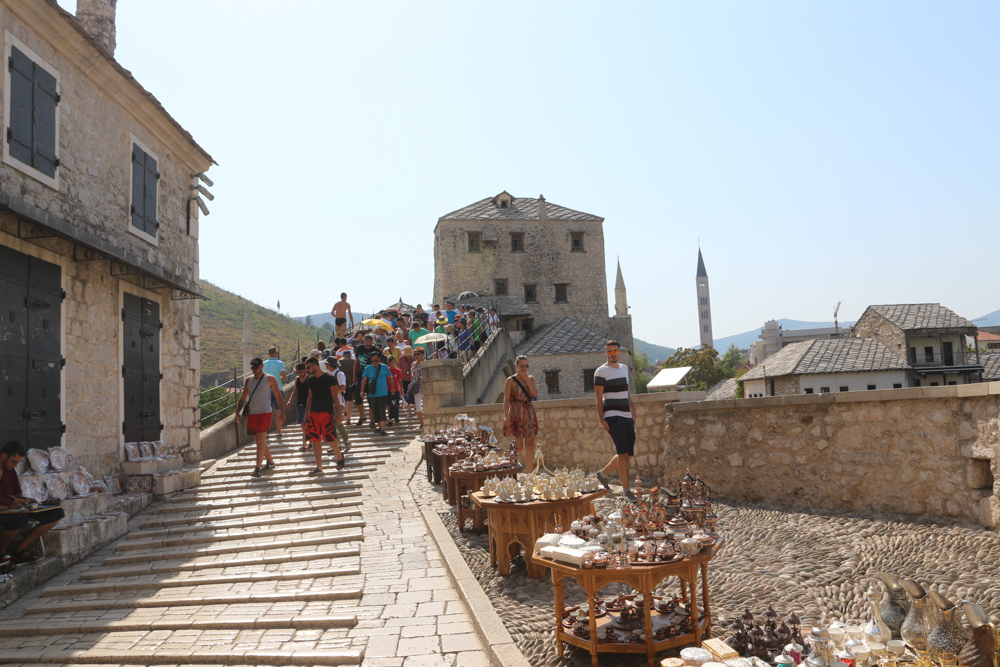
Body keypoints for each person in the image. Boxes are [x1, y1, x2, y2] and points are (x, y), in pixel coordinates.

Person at [0, 440, 65, 565]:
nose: (15, 465)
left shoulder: (10, 471)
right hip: (6, 511)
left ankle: (19, 550)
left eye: (17, 463)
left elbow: (16, 493)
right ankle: (1, 551)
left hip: (13, 510)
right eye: (14, 462)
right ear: (3, 456)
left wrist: (25, 500)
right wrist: (9, 507)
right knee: (19, 520)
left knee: (56, 512)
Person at [593, 340, 638, 501]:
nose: (613, 354)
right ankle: (627, 491)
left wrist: (632, 407)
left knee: (628, 453)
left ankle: (603, 474)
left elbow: (625, 391)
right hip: (612, 415)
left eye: (615, 351)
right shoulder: (601, 371)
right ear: (606, 353)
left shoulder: (624, 368)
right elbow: (598, 398)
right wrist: (602, 419)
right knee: (622, 452)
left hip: (626, 415)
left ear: (619, 352)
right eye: (609, 351)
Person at [235, 357, 284, 477]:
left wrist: (282, 412)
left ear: (262, 366)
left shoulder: (270, 379)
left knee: (260, 440)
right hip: (252, 413)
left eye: (256, 367)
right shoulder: (248, 380)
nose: (255, 370)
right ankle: (271, 462)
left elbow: (278, 396)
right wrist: (237, 412)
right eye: (253, 368)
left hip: (265, 413)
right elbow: (243, 398)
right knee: (258, 440)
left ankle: (257, 468)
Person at [304, 357, 343, 473]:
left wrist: (339, 414)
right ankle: (319, 467)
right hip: (314, 413)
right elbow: (310, 397)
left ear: (315, 366)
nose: (307, 370)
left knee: (330, 438)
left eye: (308, 367)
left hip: (326, 412)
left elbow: (335, 397)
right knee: (315, 440)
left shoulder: (329, 378)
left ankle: (339, 457)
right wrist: (307, 412)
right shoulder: (310, 379)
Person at [502, 355, 539, 466]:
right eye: (521, 366)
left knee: (530, 445)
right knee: (518, 446)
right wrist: (506, 416)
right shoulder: (510, 380)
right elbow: (506, 399)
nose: (524, 368)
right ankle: (516, 472)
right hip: (515, 413)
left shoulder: (531, 378)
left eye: (526, 366)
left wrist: (527, 379)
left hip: (529, 412)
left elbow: (535, 393)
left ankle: (529, 475)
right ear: (516, 366)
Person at [361, 351, 390, 435]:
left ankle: (383, 428)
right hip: (372, 394)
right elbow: (364, 379)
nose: (374, 363)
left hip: (383, 393)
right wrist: (362, 391)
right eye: (372, 361)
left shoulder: (384, 367)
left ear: (379, 359)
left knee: (382, 410)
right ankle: (381, 427)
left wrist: (393, 389)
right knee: (375, 411)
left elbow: (390, 378)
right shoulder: (368, 368)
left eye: (376, 361)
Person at [352, 334, 379, 426]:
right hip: (361, 375)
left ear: (372, 342)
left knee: (371, 398)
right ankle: (362, 416)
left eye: (369, 344)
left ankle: (372, 420)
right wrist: (354, 376)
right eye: (366, 343)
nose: (367, 345)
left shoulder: (376, 350)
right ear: (363, 341)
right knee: (357, 396)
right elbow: (356, 362)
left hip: (372, 377)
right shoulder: (359, 349)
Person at [262, 347, 287, 440]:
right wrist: (278, 380)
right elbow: (284, 377)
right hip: (278, 389)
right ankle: (279, 433)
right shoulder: (280, 363)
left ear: (268, 354)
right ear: (276, 353)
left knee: (266, 413)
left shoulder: (263, 364)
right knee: (278, 412)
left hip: (266, 390)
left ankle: (266, 433)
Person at [286, 363, 310, 451]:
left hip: (307, 405)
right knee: (303, 425)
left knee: (306, 425)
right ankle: (309, 442)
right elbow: (294, 391)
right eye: (298, 372)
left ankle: (304, 445)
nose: (299, 374)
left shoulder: (309, 379)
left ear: (304, 370)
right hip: (299, 404)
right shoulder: (297, 379)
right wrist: (290, 400)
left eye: (301, 372)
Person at [339, 348, 357, 430]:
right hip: (350, 384)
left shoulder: (339, 363)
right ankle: (349, 420)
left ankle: (343, 413)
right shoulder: (353, 362)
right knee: (350, 402)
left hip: (340, 384)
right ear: (350, 356)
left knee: (341, 400)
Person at [408, 347, 426, 428]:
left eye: (418, 354)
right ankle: (422, 423)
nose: (416, 356)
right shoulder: (413, 364)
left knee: (426, 406)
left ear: (422, 354)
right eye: (415, 354)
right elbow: (412, 376)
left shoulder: (426, 363)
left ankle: (426, 422)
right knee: (418, 407)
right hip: (416, 388)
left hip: (425, 387)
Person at [386, 355, 403, 424]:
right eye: (389, 363)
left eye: (392, 363)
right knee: (388, 404)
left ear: (395, 362)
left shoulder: (397, 370)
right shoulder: (387, 370)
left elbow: (400, 380)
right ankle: (389, 417)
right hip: (388, 389)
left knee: (396, 404)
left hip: (396, 389)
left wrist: (401, 389)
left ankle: (396, 417)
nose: (391, 365)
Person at [398, 346, 414, 417]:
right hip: (404, 379)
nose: (408, 357)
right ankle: (410, 411)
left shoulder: (414, 358)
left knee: (414, 395)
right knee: (407, 395)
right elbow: (399, 369)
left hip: (413, 380)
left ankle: (416, 410)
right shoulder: (401, 359)